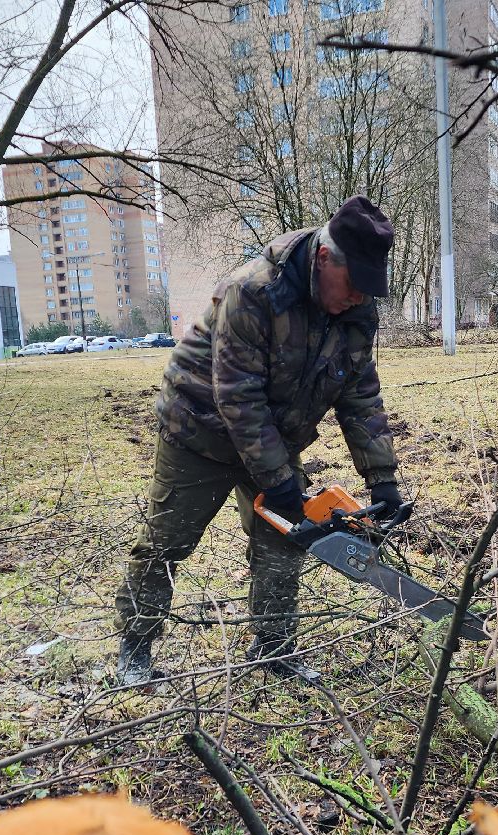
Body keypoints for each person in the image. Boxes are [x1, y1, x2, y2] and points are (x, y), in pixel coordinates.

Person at [113, 196, 403, 686]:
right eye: (354, 284)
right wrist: (280, 479)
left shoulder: (358, 312)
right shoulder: (253, 293)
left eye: (368, 289)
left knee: (282, 542)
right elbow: (238, 398)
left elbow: (359, 393)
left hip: (275, 432)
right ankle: (135, 647)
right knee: (167, 540)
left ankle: (273, 648)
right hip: (198, 429)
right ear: (325, 258)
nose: (358, 297)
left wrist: (383, 479)